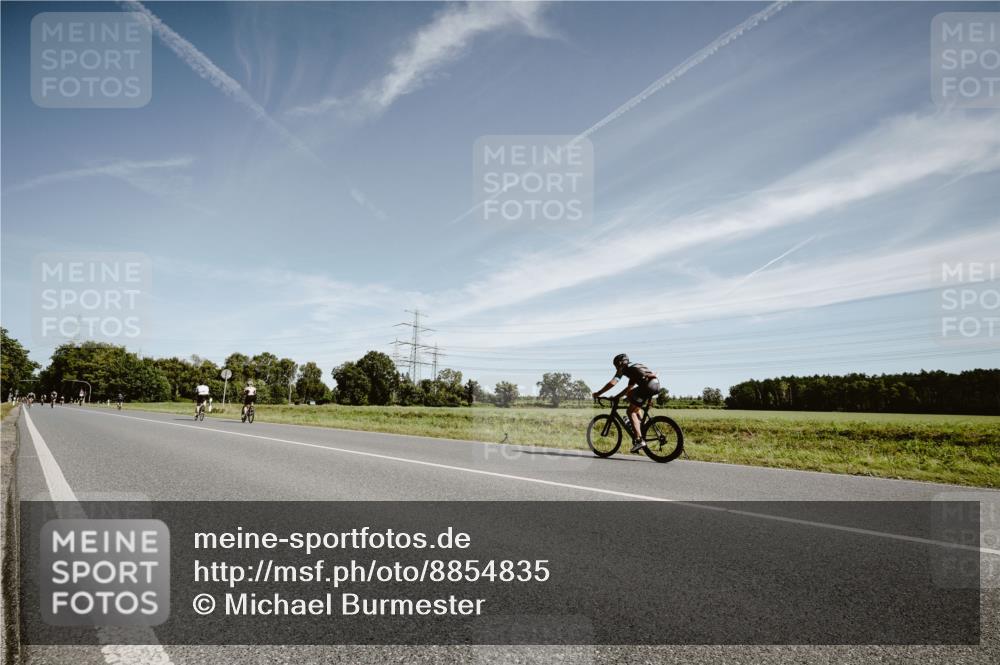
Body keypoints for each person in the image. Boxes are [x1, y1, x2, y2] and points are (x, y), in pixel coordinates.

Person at [592, 353, 661, 453]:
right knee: (632, 399)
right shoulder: (633, 368)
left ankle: (639, 440)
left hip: (646, 386)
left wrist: (599, 393)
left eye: (616, 365)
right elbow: (628, 389)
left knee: (630, 412)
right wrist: (616, 397)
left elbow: (612, 383)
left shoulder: (624, 369)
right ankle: (642, 424)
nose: (616, 368)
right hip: (655, 384)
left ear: (620, 363)